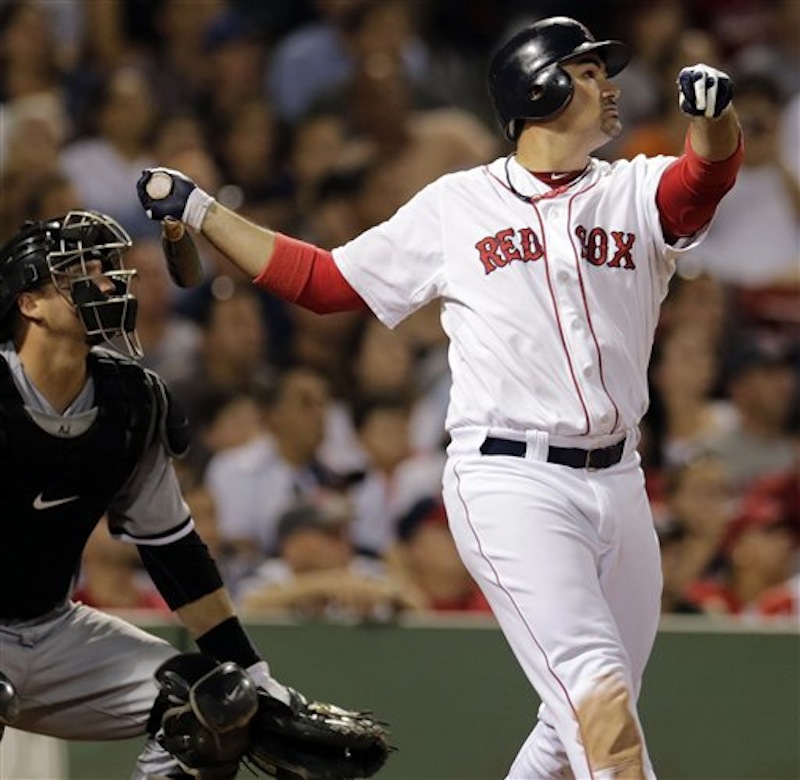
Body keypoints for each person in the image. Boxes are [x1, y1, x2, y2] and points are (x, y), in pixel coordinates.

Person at [137, 15, 743, 779]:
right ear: (540, 86)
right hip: (513, 479)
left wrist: (716, 120)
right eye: (589, 71)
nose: (608, 84)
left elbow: (705, 177)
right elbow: (326, 282)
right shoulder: (458, 205)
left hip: (621, 483)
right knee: (601, 707)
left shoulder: (633, 188)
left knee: (569, 729)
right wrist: (203, 212)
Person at [0, 208, 375, 779]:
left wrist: (253, 672)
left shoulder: (132, 404)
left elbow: (174, 551)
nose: (105, 283)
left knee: (218, 705)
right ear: (28, 302)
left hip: (51, 628)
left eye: (105, 270)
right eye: (79, 272)